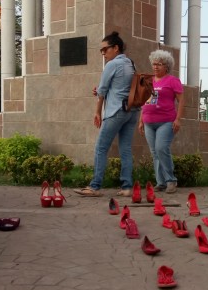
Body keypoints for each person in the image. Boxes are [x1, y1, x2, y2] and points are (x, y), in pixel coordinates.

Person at [74, 31, 140, 197]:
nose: (103, 53)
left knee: (101, 148)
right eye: (101, 51)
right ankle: (126, 187)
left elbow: (102, 90)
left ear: (116, 48)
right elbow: (123, 87)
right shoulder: (131, 64)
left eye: (105, 49)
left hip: (116, 110)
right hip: (132, 111)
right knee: (125, 149)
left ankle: (95, 186)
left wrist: (97, 112)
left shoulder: (112, 65)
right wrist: (103, 91)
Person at [138, 49, 184, 194]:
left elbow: (181, 101)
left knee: (161, 148)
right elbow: (144, 101)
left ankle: (171, 180)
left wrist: (178, 119)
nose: (156, 67)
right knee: (155, 152)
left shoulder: (172, 81)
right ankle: (161, 182)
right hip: (148, 121)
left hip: (166, 121)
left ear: (167, 66)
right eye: (154, 64)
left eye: (159, 64)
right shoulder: (148, 81)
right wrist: (141, 121)